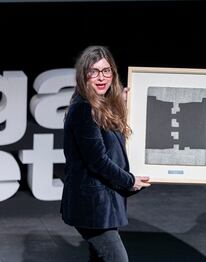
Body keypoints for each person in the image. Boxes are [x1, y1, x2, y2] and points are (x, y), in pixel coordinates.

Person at [60, 45, 151, 261]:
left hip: (102, 204)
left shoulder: (101, 107)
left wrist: (123, 101)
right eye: (94, 71)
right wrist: (129, 180)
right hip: (92, 206)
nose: (101, 77)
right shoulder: (83, 109)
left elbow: (113, 144)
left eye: (106, 71)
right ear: (84, 75)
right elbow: (98, 161)